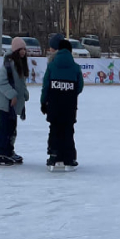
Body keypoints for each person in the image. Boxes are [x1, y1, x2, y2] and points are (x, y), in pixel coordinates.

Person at [41, 35, 84, 168]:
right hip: (69, 105)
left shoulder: (52, 66)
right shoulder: (76, 67)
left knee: (54, 128)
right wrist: (70, 94)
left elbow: (46, 86)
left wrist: (44, 102)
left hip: (54, 104)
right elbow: (80, 86)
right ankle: (69, 157)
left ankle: (54, 155)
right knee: (68, 129)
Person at [0, 37, 29, 166]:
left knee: (12, 128)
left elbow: (20, 83)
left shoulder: (19, 64)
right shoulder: (8, 64)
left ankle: (8, 150)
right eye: (20, 49)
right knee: (4, 128)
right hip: (5, 103)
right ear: (15, 50)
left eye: (24, 49)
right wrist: (12, 95)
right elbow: (1, 82)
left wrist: (24, 94)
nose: (23, 52)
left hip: (12, 104)